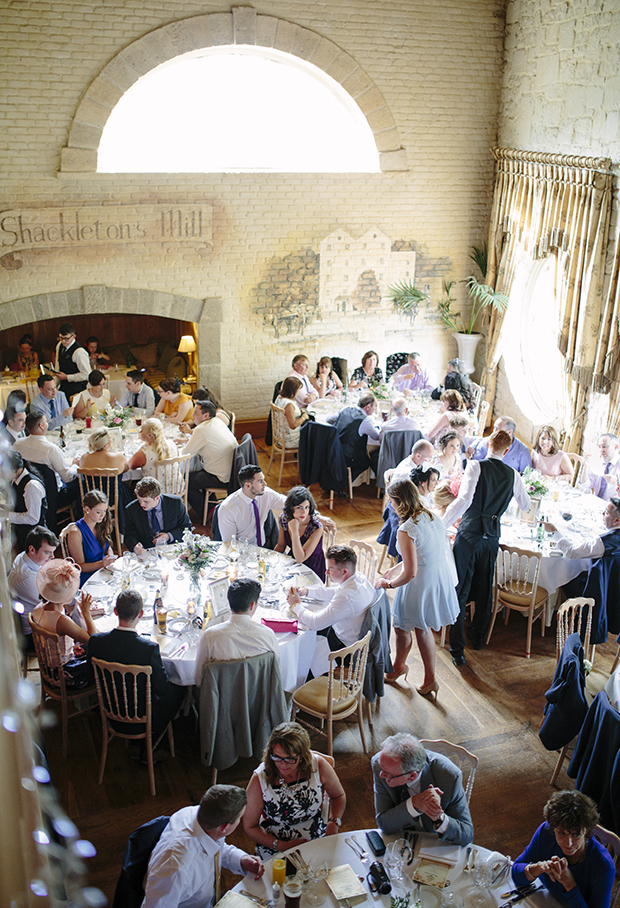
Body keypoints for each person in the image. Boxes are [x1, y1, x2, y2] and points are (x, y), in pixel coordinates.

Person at [443, 428, 530, 665]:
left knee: (460, 590)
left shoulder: (475, 466)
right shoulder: (514, 475)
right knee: (484, 589)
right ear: (508, 449)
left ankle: (457, 649)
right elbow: (525, 505)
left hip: (470, 535)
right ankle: (479, 638)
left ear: (488, 444)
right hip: (491, 538)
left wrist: (442, 524)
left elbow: (464, 501)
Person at [375, 480, 458, 697]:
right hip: (437, 576)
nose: (390, 506)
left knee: (403, 627)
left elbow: (411, 573)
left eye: (392, 502)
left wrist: (388, 584)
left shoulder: (406, 529)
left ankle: (399, 669)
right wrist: (396, 568)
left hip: (420, 582)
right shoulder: (431, 516)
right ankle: (420, 675)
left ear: (401, 502)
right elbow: (423, 551)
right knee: (422, 627)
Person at [87, 589, 185, 753]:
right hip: (144, 717)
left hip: (110, 709)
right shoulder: (149, 648)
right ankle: (155, 744)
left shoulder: (96, 641)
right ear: (140, 614)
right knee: (180, 688)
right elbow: (162, 688)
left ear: (115, 611)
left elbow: (90, 676)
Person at [143, 784, 264, 908]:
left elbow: (215, 848)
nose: (239, 822)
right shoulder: (175, 868)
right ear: (225, 827)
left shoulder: (202, 816)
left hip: (209, 899)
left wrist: (241, 860)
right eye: (239, 819)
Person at [244, 722, 346, 858]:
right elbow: (250, 826)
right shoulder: (260, 778)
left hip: (314, 833)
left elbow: (338, 795)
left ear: (302, 756)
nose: (282, 765)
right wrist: (280, 845)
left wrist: (334, 822)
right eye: (277, 757)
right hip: (275, 842)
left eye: (289, 759)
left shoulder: (318, 765)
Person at [512, 790, 614, 908]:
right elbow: (515, 873)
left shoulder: (603, 866)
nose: (569, 843)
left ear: (586, 831)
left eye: (575, 835)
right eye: (561, 833)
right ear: (553, 827)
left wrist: (570, 884)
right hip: (545, 898)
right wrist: (540, 867)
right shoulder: (546, 833)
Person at [372, 733, 474, 845]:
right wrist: (414, 804)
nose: (381, 775)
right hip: (400, 839)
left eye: (389, 775)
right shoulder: (381, 764)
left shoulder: (449, 777)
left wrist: (439, 818)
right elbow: (384, 824)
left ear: (412, 776)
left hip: (434, 843)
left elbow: (467, 835)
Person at [287, 544, 375, 649]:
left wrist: (295, 605)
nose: (326, 572)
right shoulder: (359, 578)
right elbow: (335, 591)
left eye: (331, 569)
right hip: (348, 632)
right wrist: (307, 592)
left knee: (299, 634)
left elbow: (315, 623)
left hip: (345, 647)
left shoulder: (346, 598)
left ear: (344, 571)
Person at [194, 579, 279, 684]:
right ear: (252, 605)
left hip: (219, 698)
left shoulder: (210, 636)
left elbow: (199, 680)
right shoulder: (268, 635)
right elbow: (276, 673)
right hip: (259, 696)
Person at [31, 558, 96, 688]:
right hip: (66, 673)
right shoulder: (61, 621)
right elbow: (94, 640)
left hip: (48, 667)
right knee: (102, 651)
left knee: (84, 646)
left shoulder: (37, 609)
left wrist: (70, 648)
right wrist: (86, 613)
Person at [177, 400, 237, 517]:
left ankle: (210, 511)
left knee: (185, 480)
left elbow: (185, 454)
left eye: (196, 413)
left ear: (206, 416)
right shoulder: (217, 422)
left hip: (221, 477)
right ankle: (210, 505)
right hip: (232, 471)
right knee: (197, 473)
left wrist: (172, 448)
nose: (193, 415)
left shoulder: (201, 429)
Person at [8, 525, 59, 640]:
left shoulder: (23, 556)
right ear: (32, 549)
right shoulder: (28, 578)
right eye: (47, 552)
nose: (52, 556)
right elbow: (54, 604)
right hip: (33, 632)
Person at [217, 465, 287, 547]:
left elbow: (288, 503)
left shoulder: (266, 494)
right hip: (242, 552)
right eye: (260, 481)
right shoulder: (228, 508)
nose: (265, 483)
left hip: (264, 547)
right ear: (247, 485)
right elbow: (229, 544)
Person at [15, 411, 79, 495]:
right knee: (80, 481)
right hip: (52, 495)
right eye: (45, 422)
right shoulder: (51, 449)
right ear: (41, 426)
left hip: (27, 491)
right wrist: (75, 465)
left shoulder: (18, 444)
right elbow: (67, 478)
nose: (47, 424)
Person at [123, 476, 191, 554]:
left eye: (146, 501)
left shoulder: (175, 503)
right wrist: (135, 547)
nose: (141, 504)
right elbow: (129, 535)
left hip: (172, 548)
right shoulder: (131, 509)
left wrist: (168, 536)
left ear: (157, 498)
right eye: (139, 500)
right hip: (146, 550)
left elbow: (186, 526)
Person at [65, 489, 117, 586]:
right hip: (88, 578)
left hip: (103, 571)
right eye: (98, 512)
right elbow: (79, 566)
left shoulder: (100, 523)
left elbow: (107, 547)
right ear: (87, 509)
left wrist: (110, 557)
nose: (103, 515)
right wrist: (102, 564)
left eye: (104, 511)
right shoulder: (75, 532)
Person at [275, 485, 325, 581]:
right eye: (299, 507)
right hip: (293, 564)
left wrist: (294, 532)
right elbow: (281, 545)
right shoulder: (284, 519)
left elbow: (300, 558)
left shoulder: (316, 527)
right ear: (290, 508)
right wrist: (271, 562)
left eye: (307, 507)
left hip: (312, 567)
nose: (304, 512)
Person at [327, 390, 381, 476]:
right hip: (347, 456)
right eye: (375, 406)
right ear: (368, 407)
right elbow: (376, 436)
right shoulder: (365, 421)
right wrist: (376, 427)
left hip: (333, 449)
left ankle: (338, 477)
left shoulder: (345, 409)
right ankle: (345, 479)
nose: (375, 409)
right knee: (366, 462)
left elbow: (328, 420)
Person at [8, 450, 47, 551]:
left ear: (15, 470)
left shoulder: (31, 486)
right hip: (22, 532)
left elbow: (33, 518)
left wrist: (7, 515)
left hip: (35, 538)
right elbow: (20, 505)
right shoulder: (15, 479)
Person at [54, 322, 90, 398]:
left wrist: (67, 377)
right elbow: (58, 366)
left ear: (74, 336)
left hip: (77, 390)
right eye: (61, 338)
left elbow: (86, 375)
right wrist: (54, 385)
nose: (63, 341)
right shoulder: (59, 346)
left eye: (66, 338)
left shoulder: (79, 352)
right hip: (63, 388)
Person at [579, 433, 620, 500]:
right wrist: (585, 467)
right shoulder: (598, 463)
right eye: (599, 447)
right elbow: (584, 486)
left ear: (615, 447)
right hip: (598, 504)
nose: (601, 450)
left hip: (615, 507)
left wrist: (616, 481)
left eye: (604, 447)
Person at [274, 376, 312, 447]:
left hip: (280, 436)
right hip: (290, 440)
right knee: (314, 435)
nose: (299, 391)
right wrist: (304, 417)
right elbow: (293, 425)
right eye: (298, 389)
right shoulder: (289, 405)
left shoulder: (279, 397)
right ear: (293, 390)